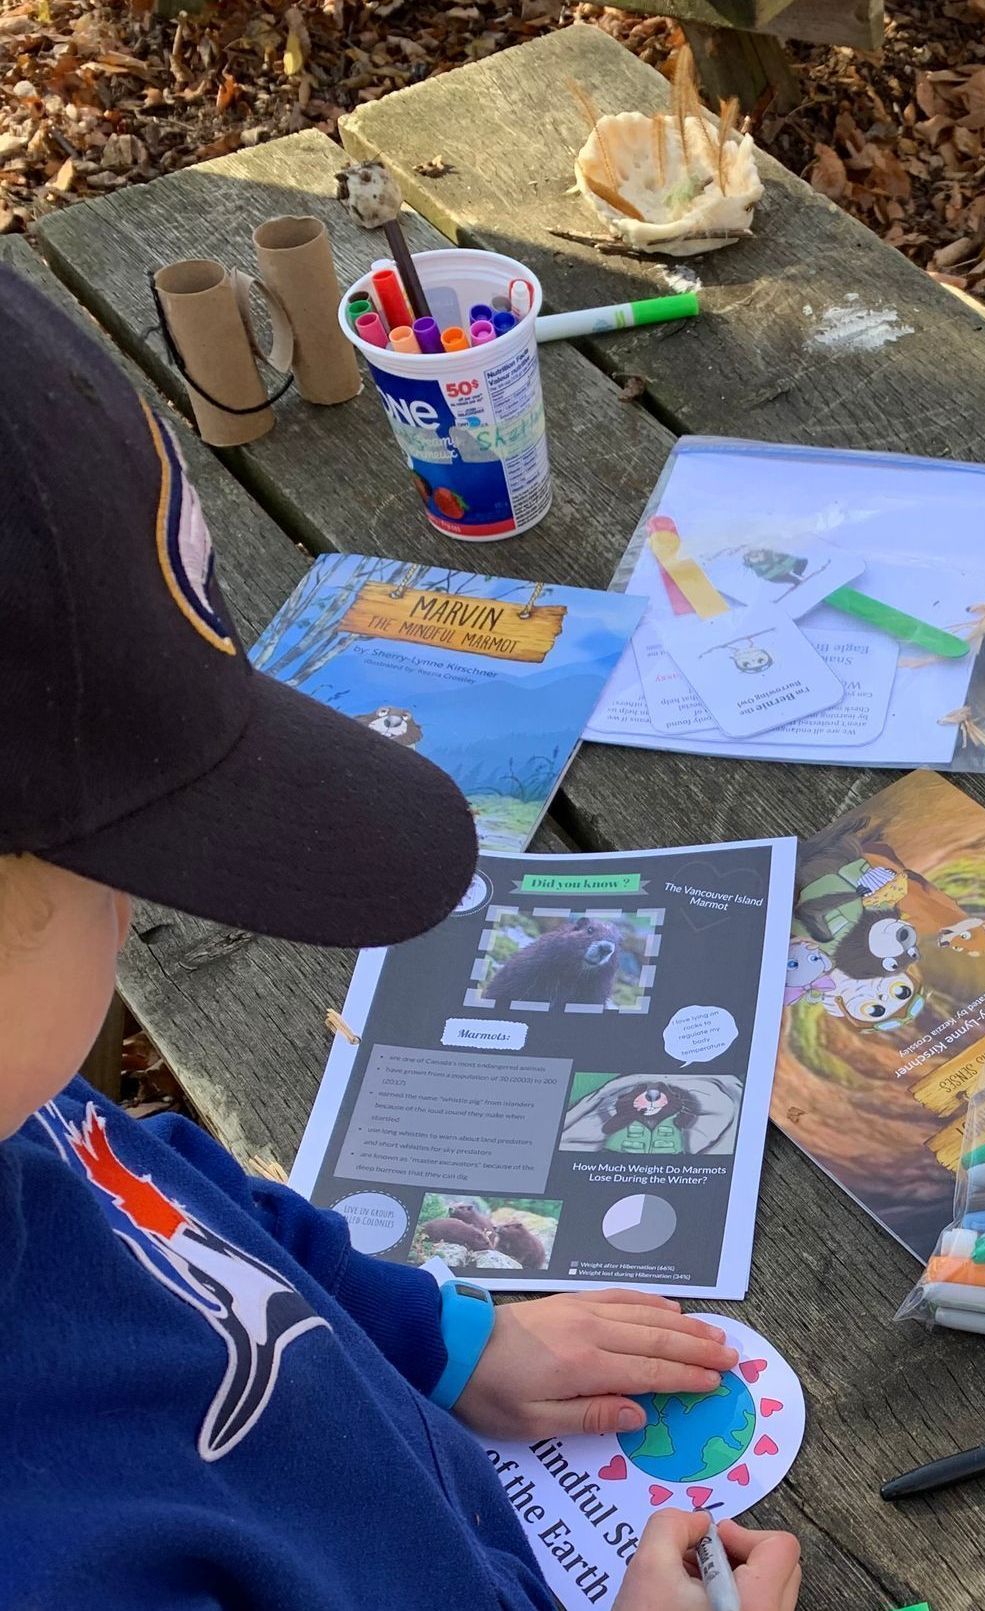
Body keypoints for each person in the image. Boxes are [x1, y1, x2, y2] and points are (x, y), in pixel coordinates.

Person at [0, 262, 802, 1611]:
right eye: (104, 869)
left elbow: (176, 1197)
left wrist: (440, 1337)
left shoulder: (25, 1103)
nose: (133, 912)